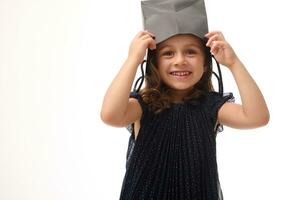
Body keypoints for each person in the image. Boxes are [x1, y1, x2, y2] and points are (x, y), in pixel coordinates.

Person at [101, 1, 269, 199]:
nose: (180, 60)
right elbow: (110, 115)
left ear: (206, 63)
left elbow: (257, 117)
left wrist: (233, 63)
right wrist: (132, 59)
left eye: (191, 51)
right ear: (154, 63)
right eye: (168, 53)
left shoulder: (210, 107)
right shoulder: (145, 105)